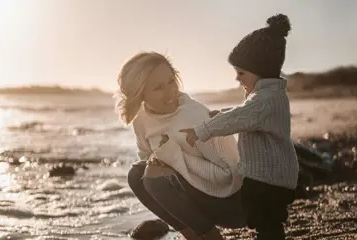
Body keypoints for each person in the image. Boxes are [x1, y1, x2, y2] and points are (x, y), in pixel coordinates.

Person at [180, 14, 299, 240]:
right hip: (274, 178)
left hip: (268, 181)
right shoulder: (269, 95)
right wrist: (223, 114)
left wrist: (202, 130)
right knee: (267, 222)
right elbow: (244, 114)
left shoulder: (265, 99)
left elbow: (241, 117)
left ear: (261, 70)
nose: (237, 79)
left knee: (266, 222)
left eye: (241, 73)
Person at [115, 52, 246, 240]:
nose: (170, 93)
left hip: (235, 204)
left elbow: (230, 176)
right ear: (140, 93)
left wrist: (175, 159)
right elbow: (146, 157)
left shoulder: (196, 117)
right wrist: (165, 162)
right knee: (137, 175)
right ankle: (191, 236)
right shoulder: (141, 120)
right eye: (158, 87)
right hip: (199, 198)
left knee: (155, 179)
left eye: (170, 81)